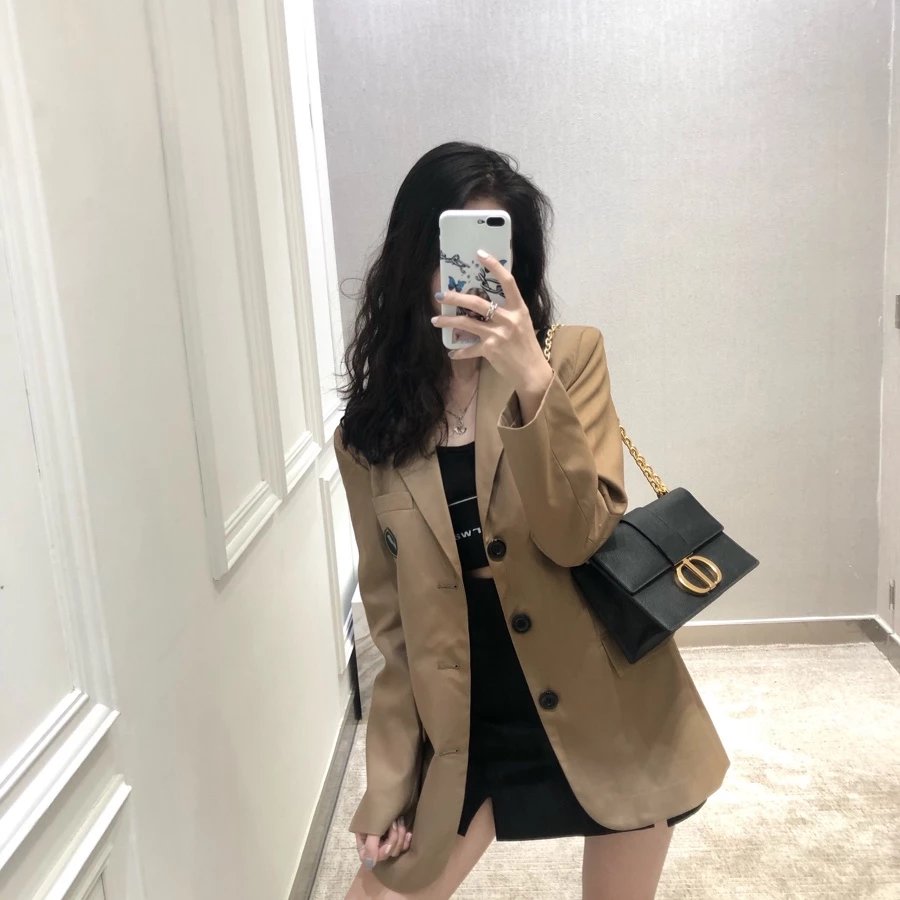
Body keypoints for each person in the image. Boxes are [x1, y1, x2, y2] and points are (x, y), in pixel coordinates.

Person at [333, 142, 730, 899]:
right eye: (455, 250)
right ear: (416, 255)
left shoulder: (567, 360)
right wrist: (389, 783)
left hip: (600, 692)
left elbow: (579, 535)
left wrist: (531, 381)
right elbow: (393, 628)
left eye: (495, 250)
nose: (473, 275)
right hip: (465, 707)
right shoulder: (369, 434)